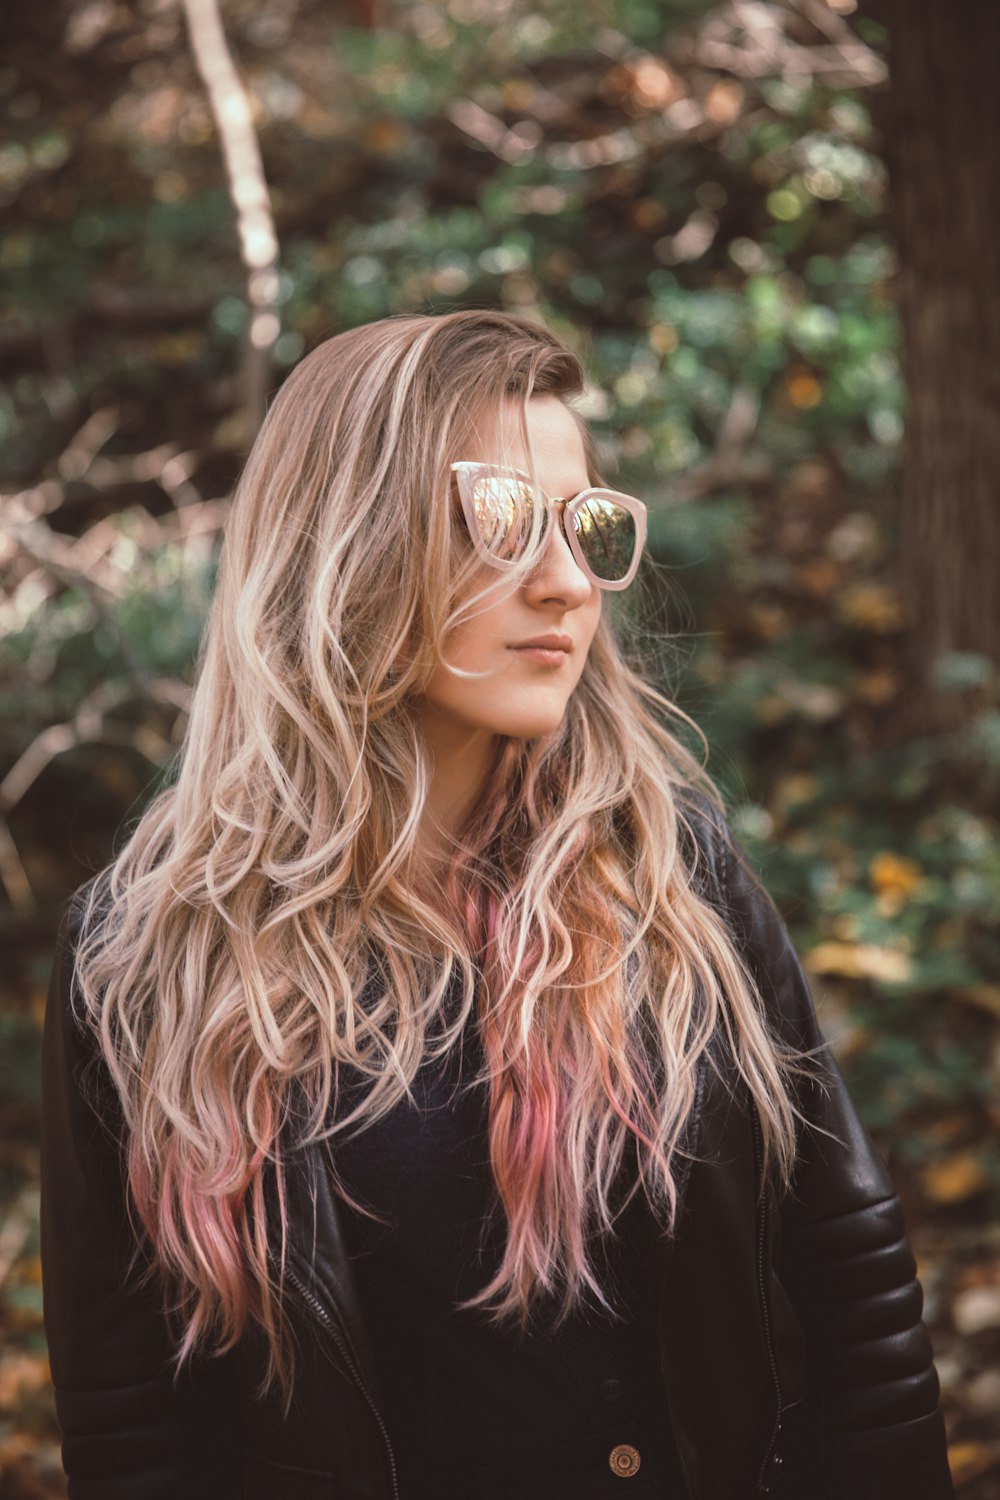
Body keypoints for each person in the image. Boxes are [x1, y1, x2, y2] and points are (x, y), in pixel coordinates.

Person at [40, 309, 954, 1500]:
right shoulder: (141, 959)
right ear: (348, 543)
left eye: (582, 523)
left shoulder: (672, 873)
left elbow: (852, 1281)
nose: (569, 583)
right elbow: (129, 1429)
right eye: (499, 519)